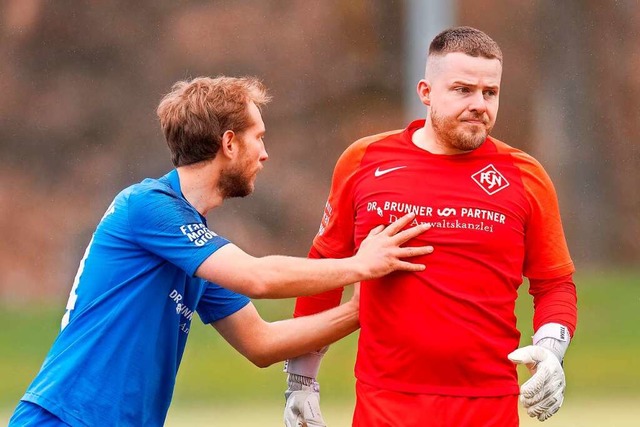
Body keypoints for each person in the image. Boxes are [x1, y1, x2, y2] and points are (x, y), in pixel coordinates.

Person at [8, 76, 435, 427]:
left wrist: (360, 311)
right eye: (259, 138)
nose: (265, 154)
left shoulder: (193, 245)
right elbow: (258, 278)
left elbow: (261, 343)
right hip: (65, 418)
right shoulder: (149, 206)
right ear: (229, 143)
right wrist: (360, 265)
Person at [283, 26, 578, 427]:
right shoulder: (363, 160)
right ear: (425, 92)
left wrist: (550, 351)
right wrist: (301, 379)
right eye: (463, 90)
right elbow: (325, 271)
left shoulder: (525, 176)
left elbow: (555, 284)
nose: (479, 104)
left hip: (488, 405)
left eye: (490, 93)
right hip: (384, 404)